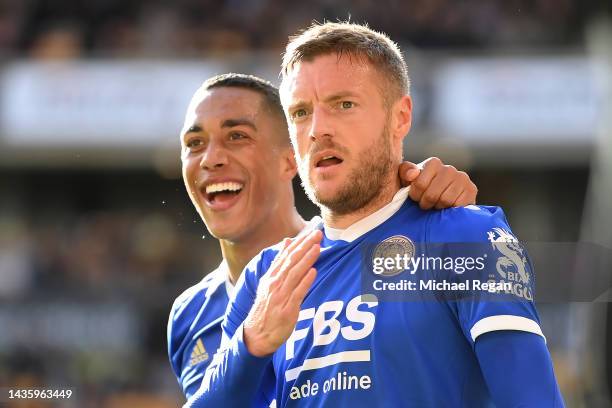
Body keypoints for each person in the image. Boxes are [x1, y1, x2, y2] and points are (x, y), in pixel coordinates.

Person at [188, 23, 564, 407]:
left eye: (343, 104)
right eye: (301, 113)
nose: (317, 129)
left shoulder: (466, 238)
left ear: (400, 117)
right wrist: (250, 344)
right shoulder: (266, 277)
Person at [167, 73, 479, 399]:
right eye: (194, 144)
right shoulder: (189, 314)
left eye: (237, 136)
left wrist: (445, 217)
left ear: (292, 158)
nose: (211, 158)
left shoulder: (377, 259)